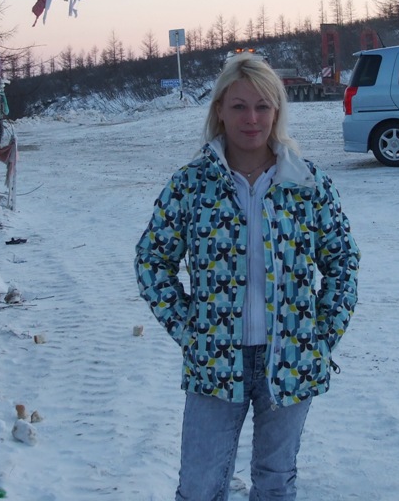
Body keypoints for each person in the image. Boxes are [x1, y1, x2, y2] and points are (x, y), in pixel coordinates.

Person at [134, 53, 360, 500]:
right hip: (214, 363)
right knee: (199, 485)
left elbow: (343, 262)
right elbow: (152, 261)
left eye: (262, 106)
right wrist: (191, 330)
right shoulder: (191, 185)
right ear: (219, 109)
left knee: (276, 482)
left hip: (291, 361)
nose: (251, 118)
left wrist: (320, 335)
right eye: (238, 106)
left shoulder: (307, 184)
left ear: (276, 111)